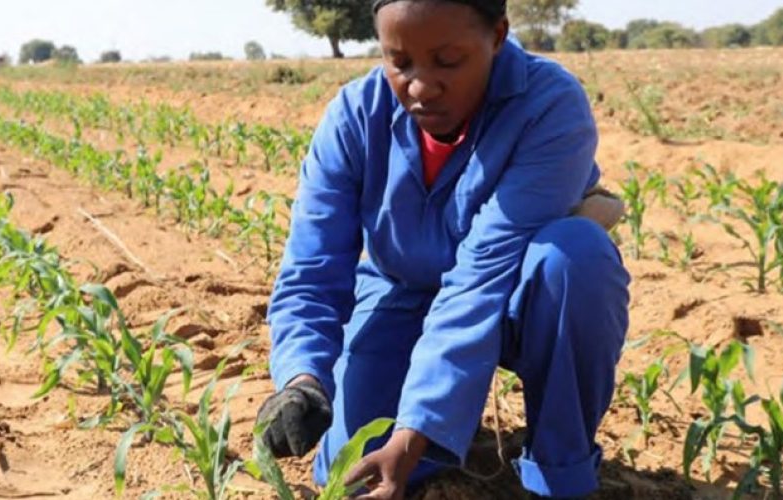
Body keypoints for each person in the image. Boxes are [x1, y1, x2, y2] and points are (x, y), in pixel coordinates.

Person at [255, 0, 631, 498]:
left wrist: (414, 432)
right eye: (400, 61)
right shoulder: (354, 116)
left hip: (516, 292)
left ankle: (559, 472)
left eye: (448, 62)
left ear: (497, 36)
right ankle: (444, 423)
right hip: (401, 293)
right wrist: (302, 378)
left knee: (574, 256)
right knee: (350, 473)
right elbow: (312, 265)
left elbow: (483, 274)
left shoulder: (548, 104)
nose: (420, 85)